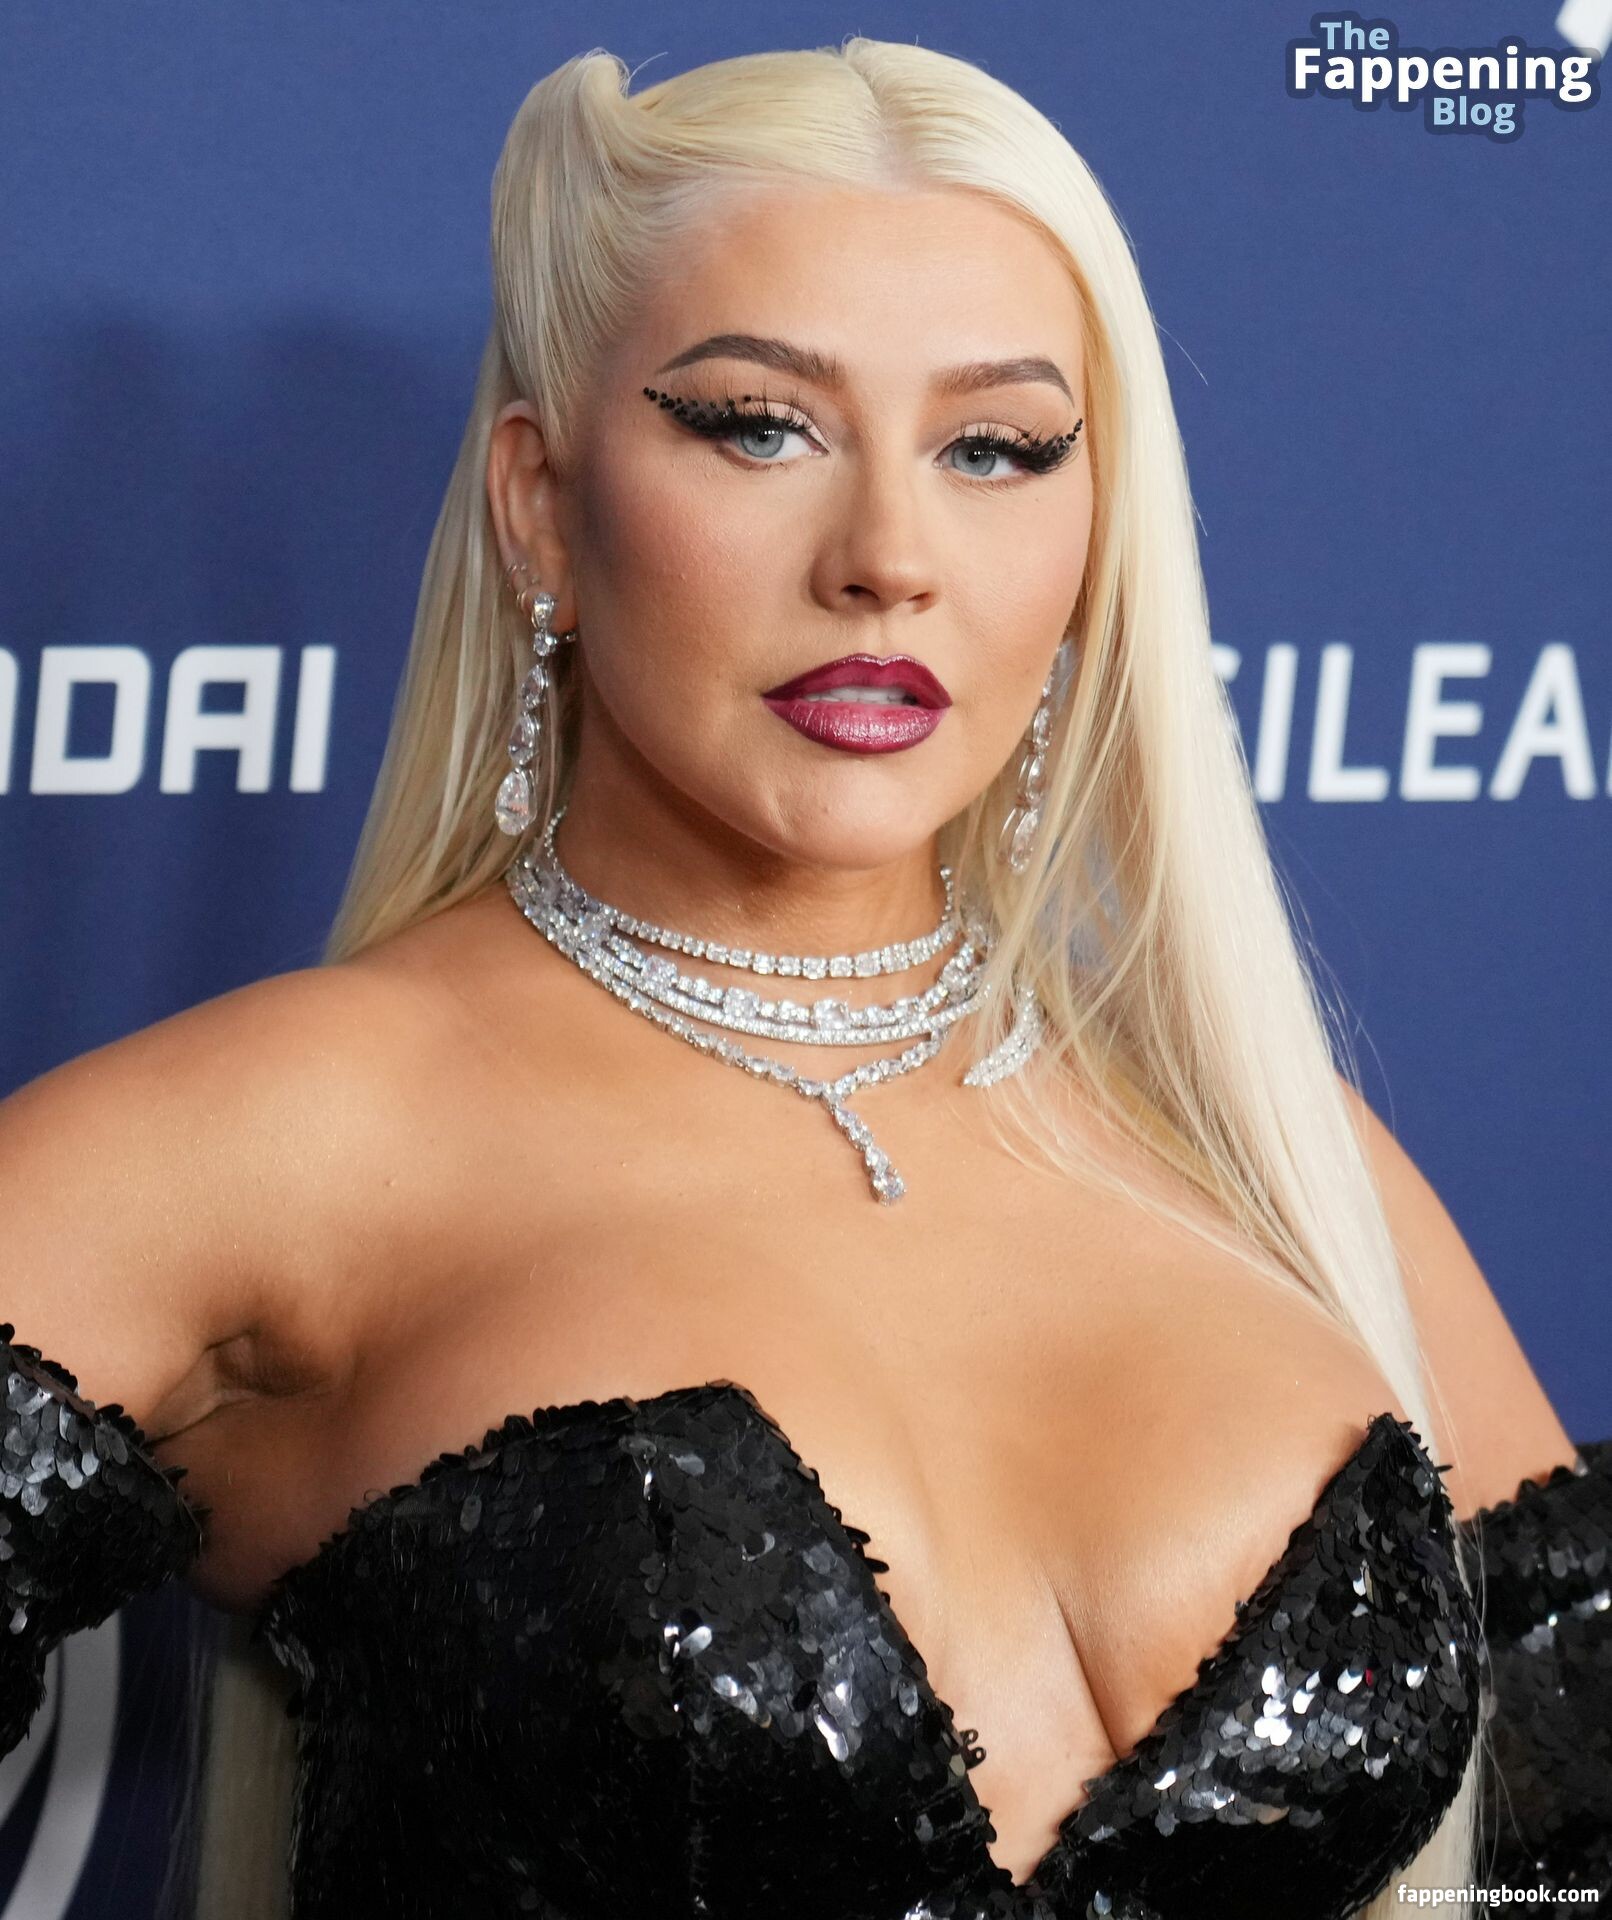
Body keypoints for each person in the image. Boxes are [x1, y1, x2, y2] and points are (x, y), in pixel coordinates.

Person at [0, 37, 1606, 1920]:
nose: (888, 560)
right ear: (541, 506)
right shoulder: (268, 1142)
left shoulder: (1262, 1148)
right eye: (760, 426)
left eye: (995, 449)